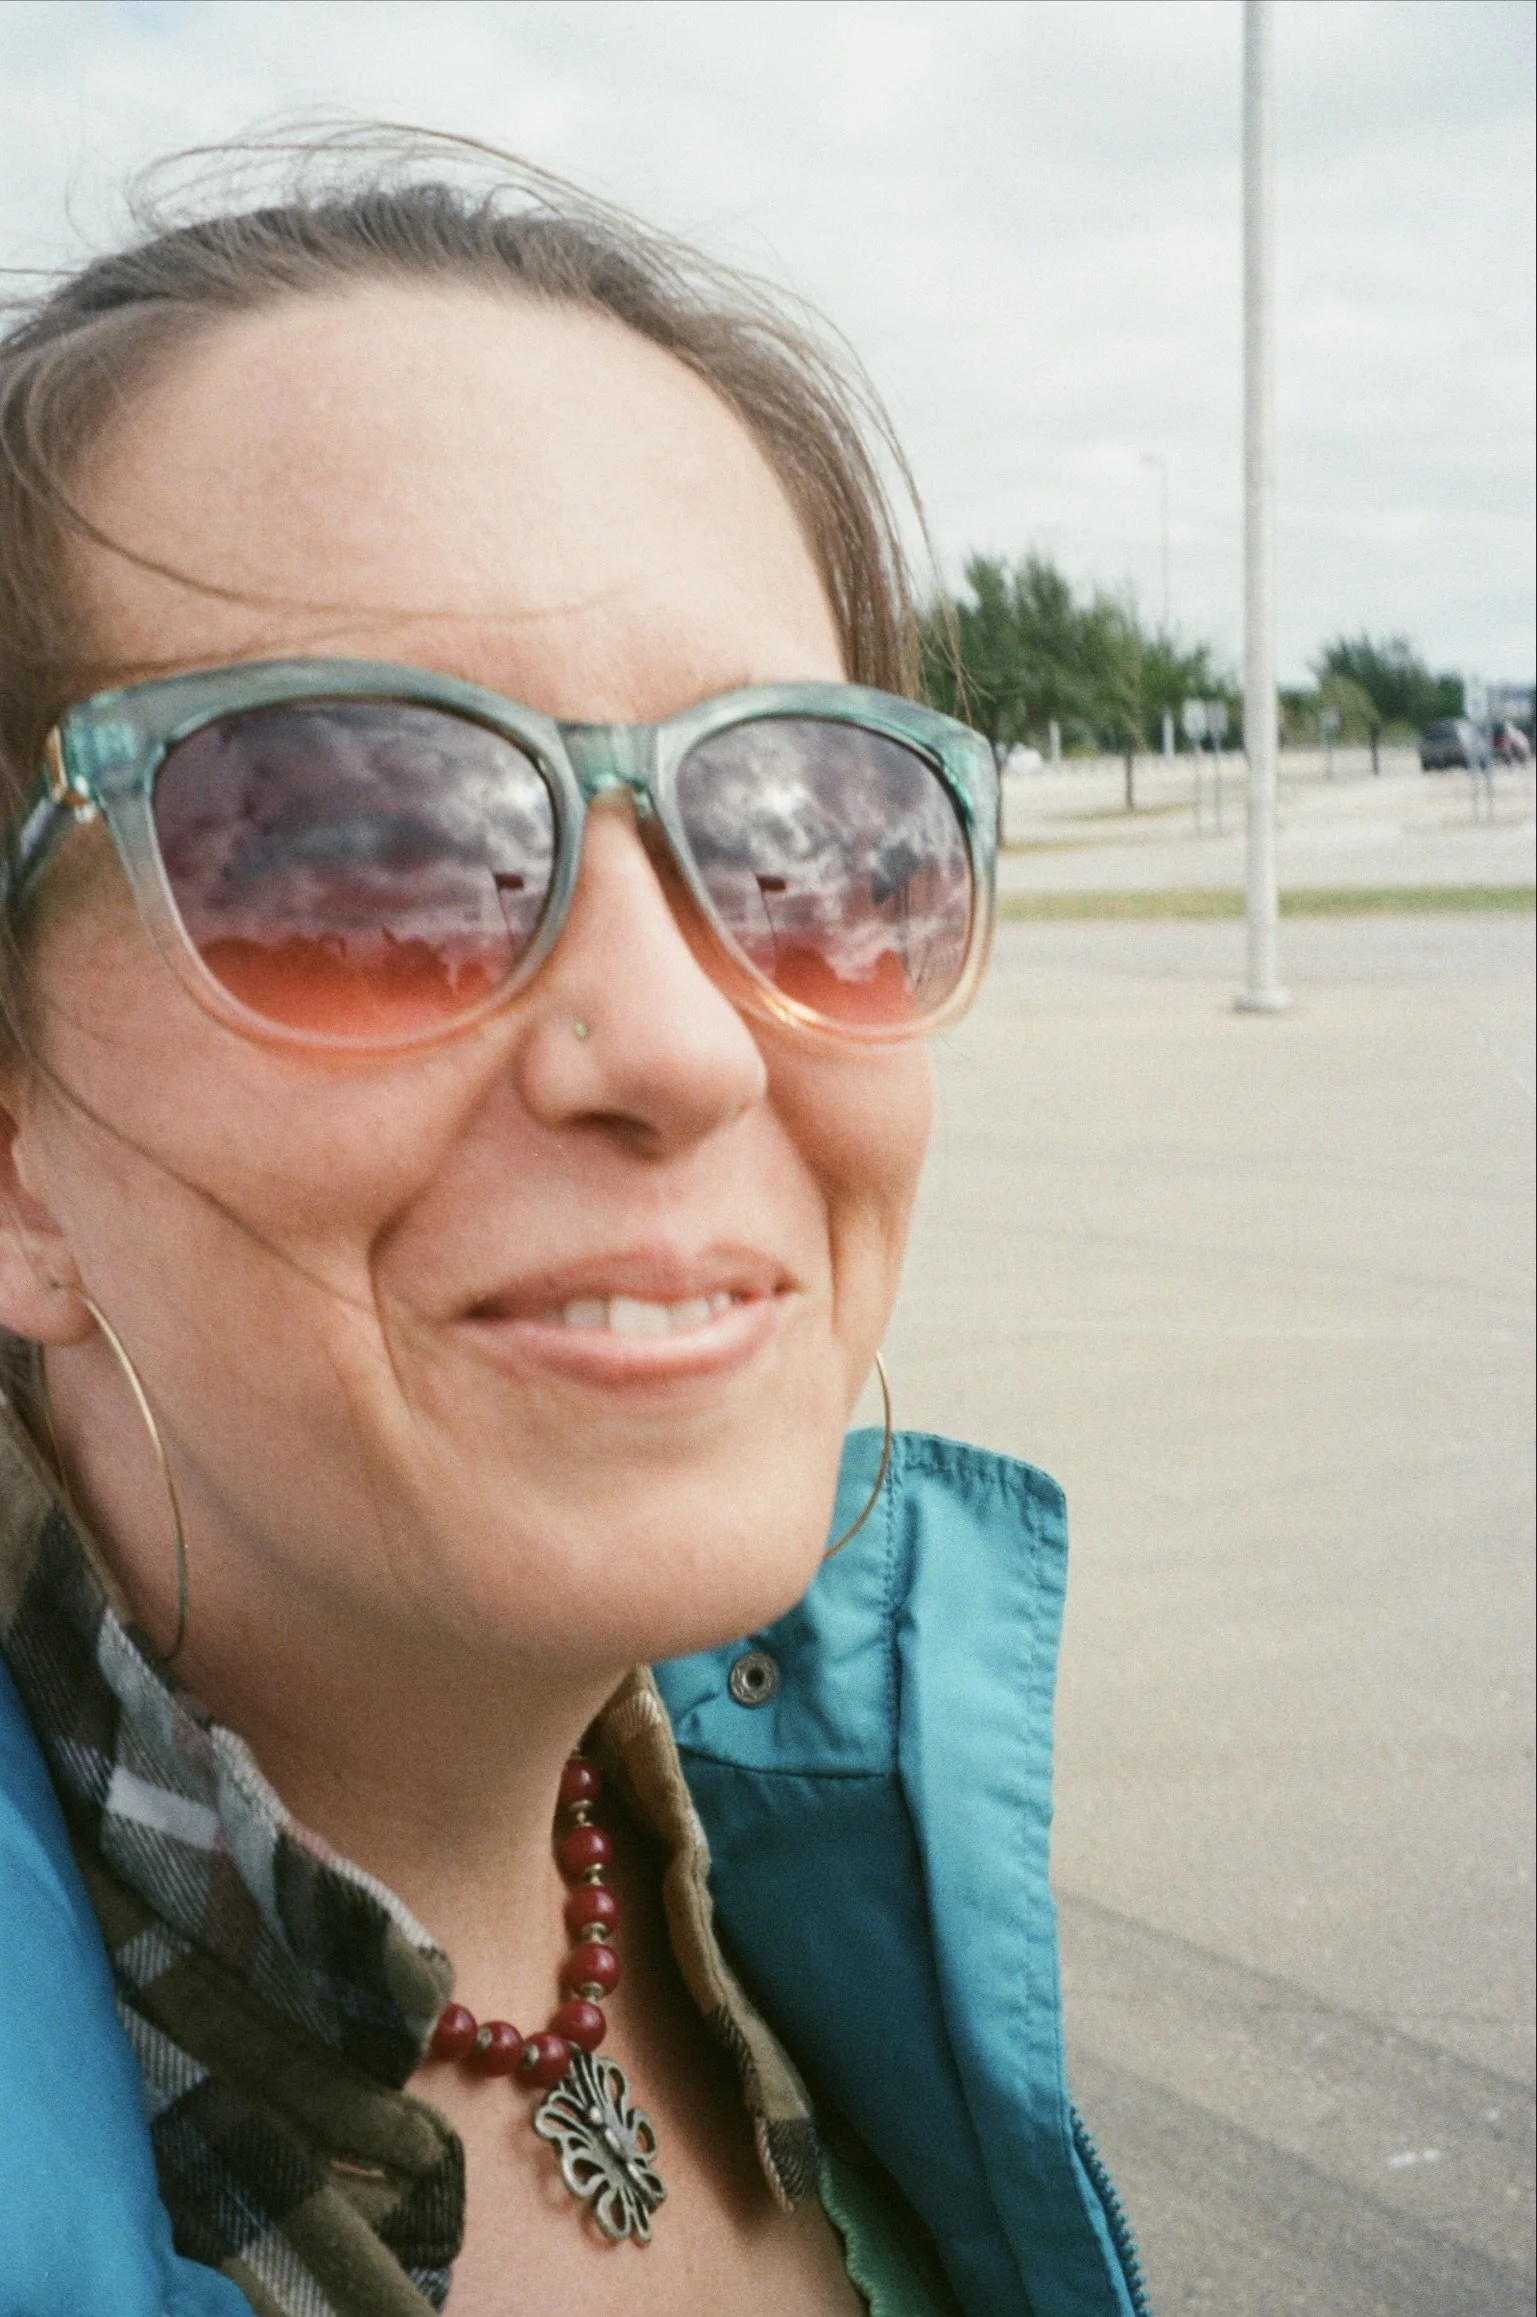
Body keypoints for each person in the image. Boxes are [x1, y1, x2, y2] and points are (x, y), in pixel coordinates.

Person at [0, 138, 1145, 2317]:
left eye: (811, 828)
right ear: (15, 1150)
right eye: (356, 849)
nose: (688, 1046)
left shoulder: (829, 1890)